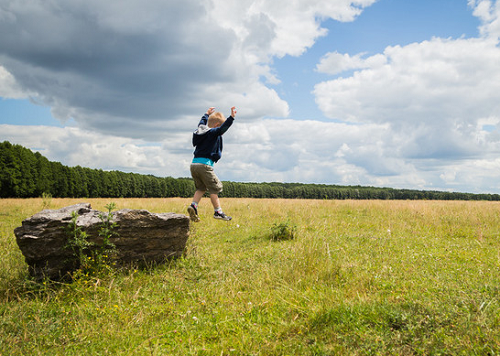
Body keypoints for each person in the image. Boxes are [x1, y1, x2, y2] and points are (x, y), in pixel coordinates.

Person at [187, 106, 236, 222]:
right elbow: (222, 129)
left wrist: (206, 114)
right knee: (214, 187)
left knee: (201, 188)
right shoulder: (213, 132)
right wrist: (231, 118)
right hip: (205, 165)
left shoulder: (201, 131)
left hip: (194, 165)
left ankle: (193, 205)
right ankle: (218, 211)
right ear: (216, 126)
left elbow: (201, 123)